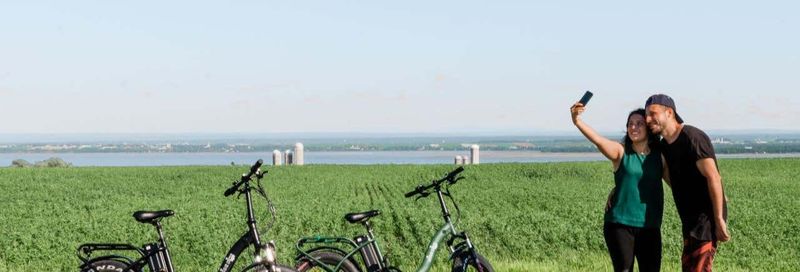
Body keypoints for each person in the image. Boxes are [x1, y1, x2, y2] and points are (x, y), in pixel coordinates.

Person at [571, 101, 669, 272]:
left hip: (650, 225)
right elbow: (599, 140)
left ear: (648, 128)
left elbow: (677, 184)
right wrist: (577, 121)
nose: (633, 127)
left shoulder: (660, 156)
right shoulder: (620, 152)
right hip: (620, 224)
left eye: (639, 124)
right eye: (630, 124)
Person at [644, 94, 729, 272]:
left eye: (653, 113)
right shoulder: (664, 146)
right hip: (689, 221)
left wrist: (719, 218)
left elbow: (713, 177)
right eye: (646, 115)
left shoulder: (692, 137)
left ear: (669, 112)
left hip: (706, 220)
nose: (648, 119)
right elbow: (667, 176)